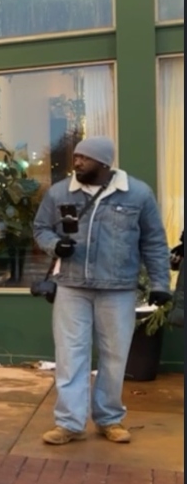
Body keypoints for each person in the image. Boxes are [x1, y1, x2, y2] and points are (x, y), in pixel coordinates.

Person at [33, 136, 171, 445]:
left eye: (85, 158)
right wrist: (55, 245)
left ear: (104, 163)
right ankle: (69, 423)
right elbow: (40, 228)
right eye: (76, 156)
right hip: (71, 287)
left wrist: (161, 284)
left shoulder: (137, 194)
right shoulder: (59, 193)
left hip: (118, 288)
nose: (77, 162)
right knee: (70, 355)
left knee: (114, 356)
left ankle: (109, 419)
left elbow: (154, 242)